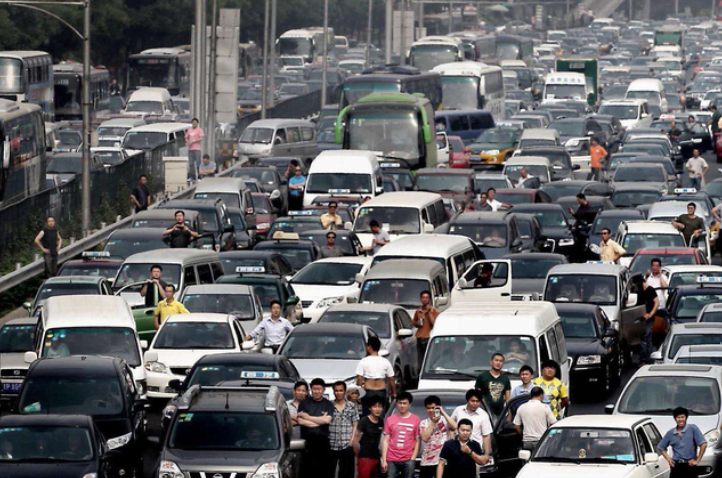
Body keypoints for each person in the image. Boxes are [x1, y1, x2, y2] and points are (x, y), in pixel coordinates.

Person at [297, 378, 336, 478]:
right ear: (311, 389)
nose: (317, 391)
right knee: (307, 471)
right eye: (314, 389)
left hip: (323, 442)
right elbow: (300, 421)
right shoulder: (304, 403)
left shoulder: (328, 404)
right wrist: (319, 421)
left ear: (323, 390)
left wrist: (308, 418)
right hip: (307, 442)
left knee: (323, 471)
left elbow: (327, 420)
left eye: (319, 389)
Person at [658, 407, 707, 478]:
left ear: (686, 418)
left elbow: (703, 444)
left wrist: (697, 460)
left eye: (682, 417)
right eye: (678, 417)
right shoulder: (671, 433)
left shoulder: (693, 428)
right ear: (675, 419)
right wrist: (669, 459)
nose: (681, 419)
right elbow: (661, 447)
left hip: (690, 466)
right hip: (676, 466)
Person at [381, 391, 421, 478]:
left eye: (404, 403)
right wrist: (384, 460)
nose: (402, 406)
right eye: (400, 403)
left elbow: (417, 440)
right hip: (391, 459)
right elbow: (386, 440)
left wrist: (413, 458)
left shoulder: (416, 419)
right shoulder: (390, 419)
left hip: (408, 459)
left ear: (409, 404)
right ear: (396, 404)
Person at [419, 395, 457, 478]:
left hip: (444, 460)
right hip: (427, 461)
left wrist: (443, 412)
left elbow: (454, 426)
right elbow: (424, 438)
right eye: (428, 408)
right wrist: (433, 422)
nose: (431, 410)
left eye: (433, 408)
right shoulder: (423, 423)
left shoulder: (445, 420)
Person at [356, 336, 396, 414]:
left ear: (369, 347)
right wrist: (393, 392)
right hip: (381, 391)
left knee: (367, 415)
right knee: (381, 414)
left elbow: (359, 378)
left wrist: (358, 392)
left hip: (368, 391)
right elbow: (391, 378)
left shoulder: (363, 361)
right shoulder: (385, 361)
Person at [329, 381, 359, 478]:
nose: (338, 393)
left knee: (346, 473)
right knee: (329, 472)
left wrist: (352, 440)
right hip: (331, 444)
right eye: (336, 391)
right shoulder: (329, 405)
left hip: (346, 443)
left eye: (341, 390)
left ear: (345, 392)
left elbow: (355, 423)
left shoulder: (351, 406)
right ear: (334, 392)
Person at [353, 395, 386, 478]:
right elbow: (355, 441)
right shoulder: (364, 421)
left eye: (380, 407)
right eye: (375, 406)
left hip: (376, 456)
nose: (377, 409)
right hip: (365, 457)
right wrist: (359, 456)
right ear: (370, 408)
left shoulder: (381, 421)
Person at [413, 290, 439, 372]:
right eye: (423, 298)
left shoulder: (433, 310)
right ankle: (420, 372)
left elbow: (434, 323)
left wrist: (428, 313)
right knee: (420, 358)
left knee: (428, 357)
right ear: (420, 299)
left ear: (429, 299)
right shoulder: (418, 311)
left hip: (428, 337)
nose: (425, 299)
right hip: (420, 337)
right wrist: (418, 323)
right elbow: (414, 322)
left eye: (427, 298)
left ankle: (428, 371)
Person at [639, 274, 660, 366]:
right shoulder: (637, 292)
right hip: (639, 319)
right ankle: (644, 359)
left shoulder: (650, 290)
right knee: (642, 339)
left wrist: (651, 314)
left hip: (649, 318)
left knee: (647, 338)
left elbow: (656, 302)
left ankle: (647, 359)